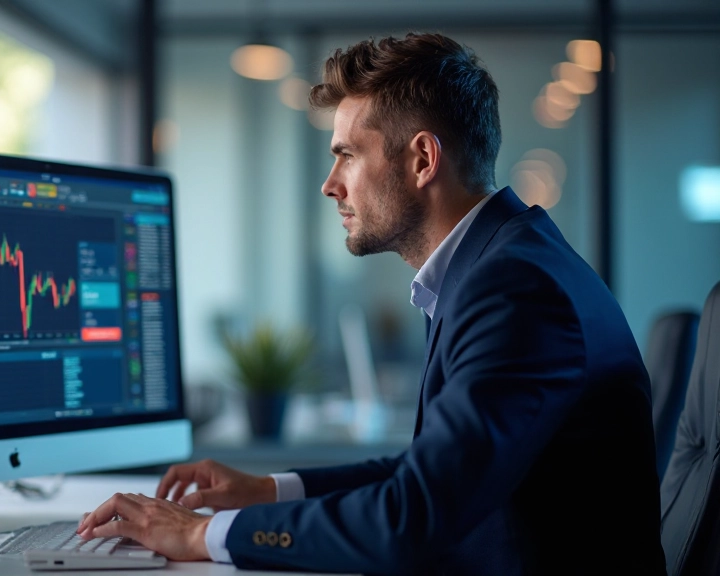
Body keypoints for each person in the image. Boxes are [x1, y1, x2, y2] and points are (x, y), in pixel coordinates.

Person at [77, 33, 666, 574]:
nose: (331, 183)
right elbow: (431, 476)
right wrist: (268, 492)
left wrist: (203, 535)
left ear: (422, 160)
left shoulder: (515, 289)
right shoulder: (503, 262)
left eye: (348, 155)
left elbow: (412, 515)